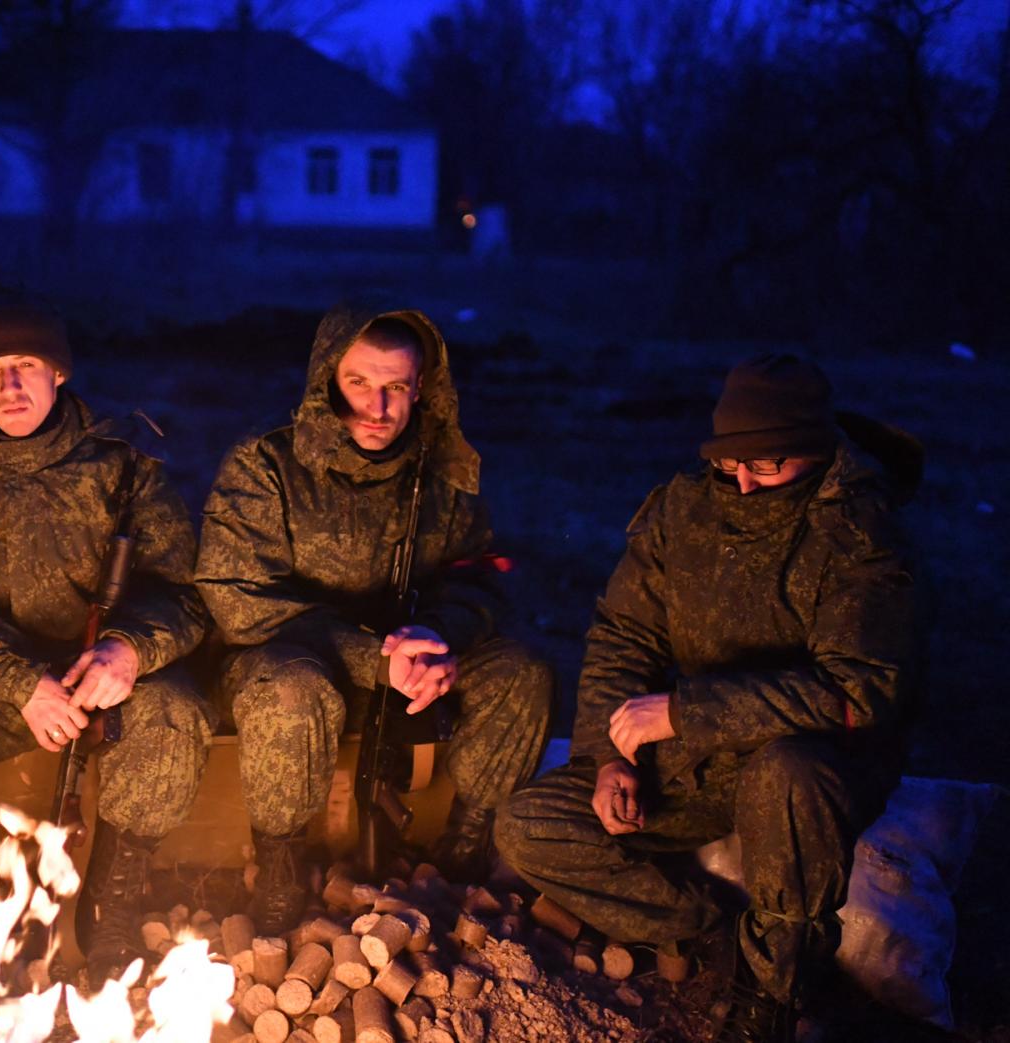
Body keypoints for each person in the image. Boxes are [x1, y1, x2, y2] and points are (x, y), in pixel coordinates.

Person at [495, 353, 922, 1042]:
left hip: (808, 764)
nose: (745, 484)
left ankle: (771, 991)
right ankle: (713, 930)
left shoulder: (859, 534)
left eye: (769, 466)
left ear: (813, 451)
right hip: (692, 761)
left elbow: (857, 691)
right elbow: (624, 633)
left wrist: (682, 711)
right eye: (731, 464)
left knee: (786, 772)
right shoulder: (685, 509)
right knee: (530, 824)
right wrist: (609, 757)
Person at [0, 290, 214, 981]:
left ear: (60, 373)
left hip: (103, 681)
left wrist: (130, 649)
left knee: (175, 712)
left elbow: (190, 592)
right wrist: (20, 682)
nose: (11, 385)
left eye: (27, 364)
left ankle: (112, 907)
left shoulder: (126, 466)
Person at [195, 302, 554, 932]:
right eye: (359, 383)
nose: (376, 408)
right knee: (291, 688)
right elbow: (236, 598)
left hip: (411, 672)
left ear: (421, 390)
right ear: (328, 378)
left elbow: (482, 575)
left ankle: (464, 851)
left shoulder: (443, 476)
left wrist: (442, 640)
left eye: (395, 388)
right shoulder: (265, 467)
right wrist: (376, 658)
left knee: (523, 672)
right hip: (287, 672)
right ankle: (281, 869)